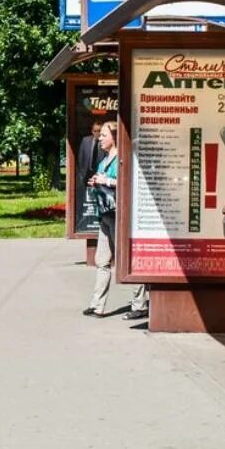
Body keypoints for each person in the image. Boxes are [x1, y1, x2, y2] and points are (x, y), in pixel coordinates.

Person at [83, 121, 149, 319]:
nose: (99, 138)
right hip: (105, 215)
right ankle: (97, 305)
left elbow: (129, 181)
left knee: (125, 260)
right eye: (100, 135)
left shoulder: (123, 158)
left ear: (114, 137)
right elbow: (102, 180)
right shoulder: (104, 160)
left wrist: (107, 181)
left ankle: (140, 305)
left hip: (118, 216)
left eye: (104, 135)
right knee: (101, 260)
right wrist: (96, 181)